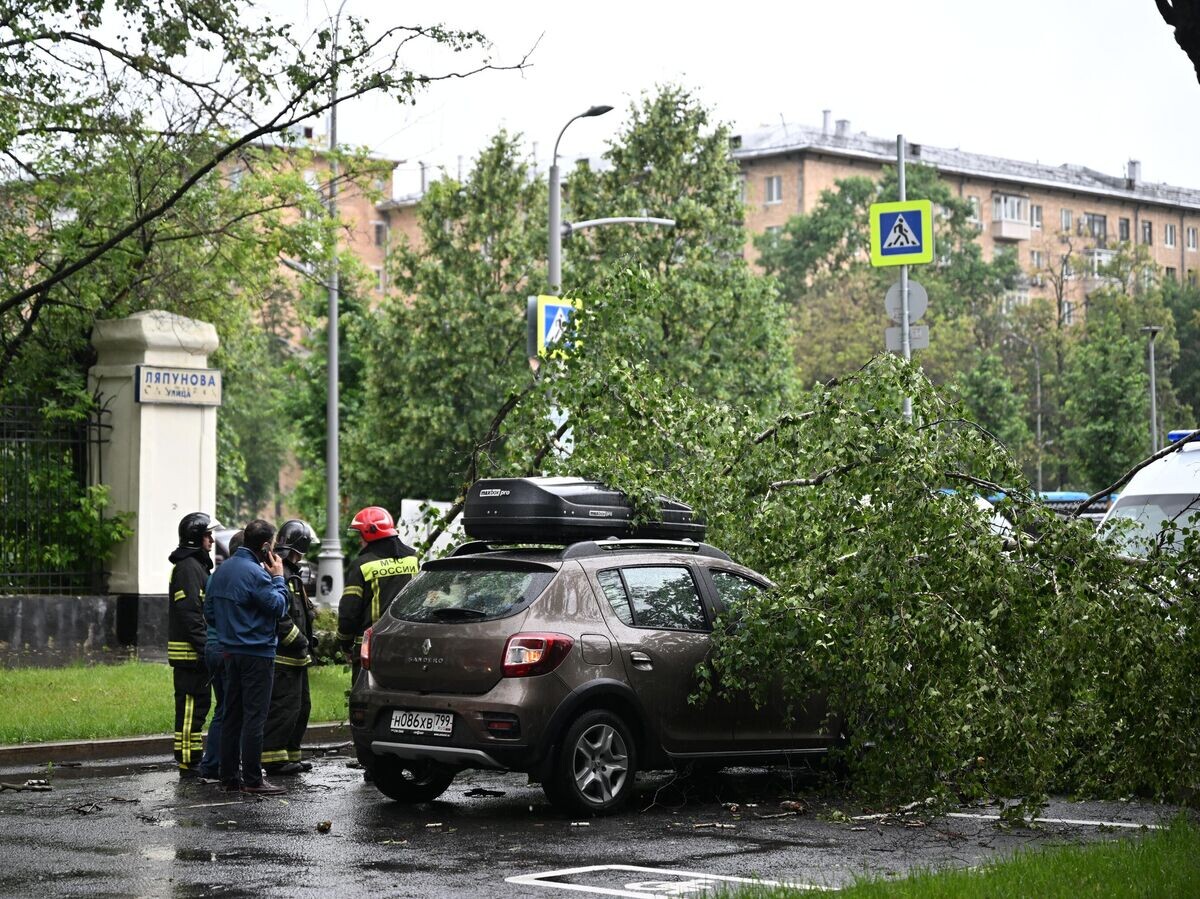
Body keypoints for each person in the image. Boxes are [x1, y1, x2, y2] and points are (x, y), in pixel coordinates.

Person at [205, 518, 289, 796]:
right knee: (255, 717)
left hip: (229, 652)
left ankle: (229, 777)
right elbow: (278, 607)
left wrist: (233, 629)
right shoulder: (257, 573)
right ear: (266, 546)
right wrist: (278, 577)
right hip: (257, 653)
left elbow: (210, 614)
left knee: (232, 715)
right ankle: (253, 779)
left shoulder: (221, 571)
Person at [337, 506, 418, 686]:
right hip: (408, 643)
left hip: (371, 647)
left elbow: (349, 612)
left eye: (360, 535)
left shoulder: (362, 565)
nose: (359, 541)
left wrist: (344, 643)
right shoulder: (413, 559)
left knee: (368, 697)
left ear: (370, 532)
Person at [261, 519, 317, 776]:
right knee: (283, 708)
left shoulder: (290, 573)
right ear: (299, 548)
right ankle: (273, 759)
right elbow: (281, 618)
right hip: (284, 658)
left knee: (300, 708)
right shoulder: (281, 575)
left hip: (297, 659)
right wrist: (300, 640)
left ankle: (292, 755)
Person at [167, 512, 220, 778]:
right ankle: (188, 761)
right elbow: (190, 613)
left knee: (198, 707)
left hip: (195, 653)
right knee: (190, 708)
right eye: (208, 535)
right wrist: (205, 647)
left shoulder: (196, 566)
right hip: (190, 655)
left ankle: (192, 758)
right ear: (197, 538)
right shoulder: (188, 568)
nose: (211, 539)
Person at [196, 529, 242, 781]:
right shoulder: (241, 575)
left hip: (213, 647)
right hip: (227, 649)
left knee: (223, 709)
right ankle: (217, 765)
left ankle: (215, 764)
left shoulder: (216, 575)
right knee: (230, 710)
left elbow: (208, 612)